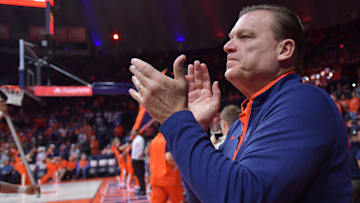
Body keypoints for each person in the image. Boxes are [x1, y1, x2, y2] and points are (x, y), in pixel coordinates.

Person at [128, 4, 352, 203]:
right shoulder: (240, 124)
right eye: (230, 37)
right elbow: (203, 196)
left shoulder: (305, 102)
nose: (227, 46)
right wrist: (196, 127)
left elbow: (241, 197)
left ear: (284, 50)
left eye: (245, 37)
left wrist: (176, 119)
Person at [149, 131, 184, 203]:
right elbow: (168, 157)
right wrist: (178, 166)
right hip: (169, 177)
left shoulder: (154, 140)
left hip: (155, 178)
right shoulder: (168, 138)